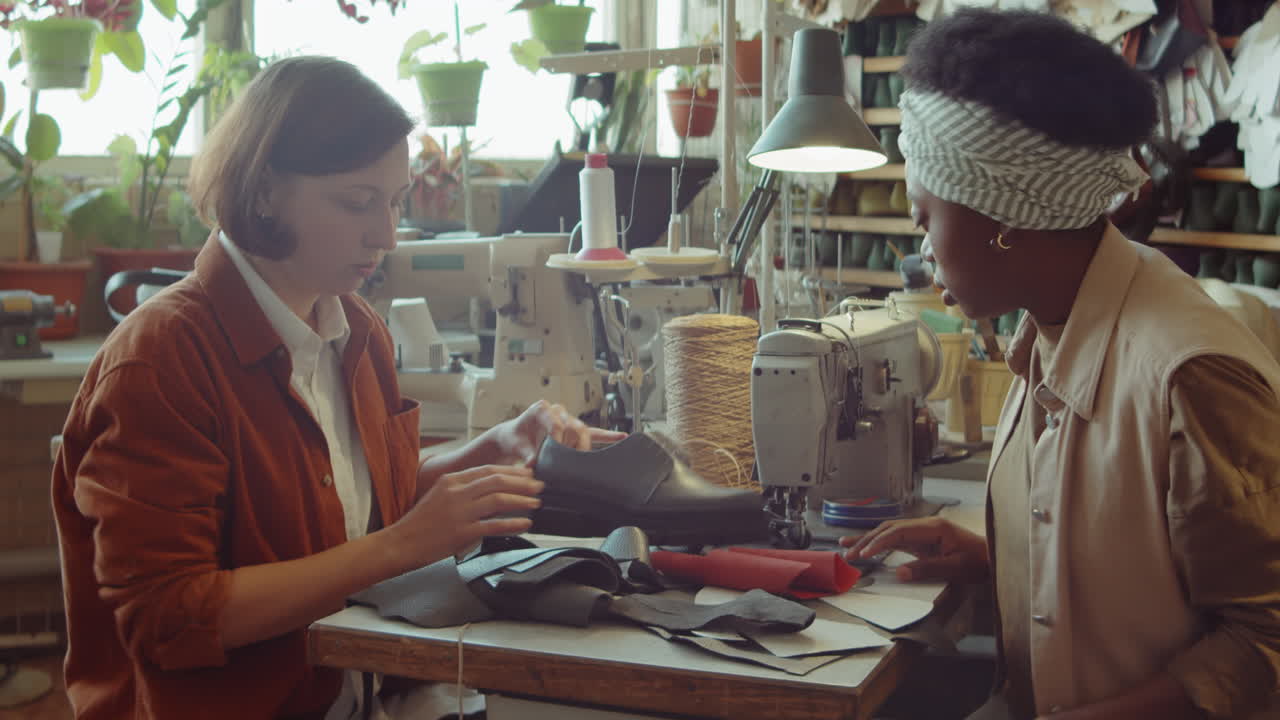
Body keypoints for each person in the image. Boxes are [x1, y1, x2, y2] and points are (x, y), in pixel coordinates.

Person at [51, 56, 622, 720]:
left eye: (395, 203)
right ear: (264, 191)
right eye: (357, 202)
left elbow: (351, 508)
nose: (385, 235)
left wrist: (488, 451)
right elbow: (171, 617)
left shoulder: (356, 331)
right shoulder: (161, 360)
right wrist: (401, 548)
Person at [841, 10, 1280, 720]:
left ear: (1005, 216)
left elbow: (1265, 645)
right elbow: (1147, 570)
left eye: (926, 216)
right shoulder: (1052, 329)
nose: (918, 244)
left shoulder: (1191, 377)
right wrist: (1003, 555)